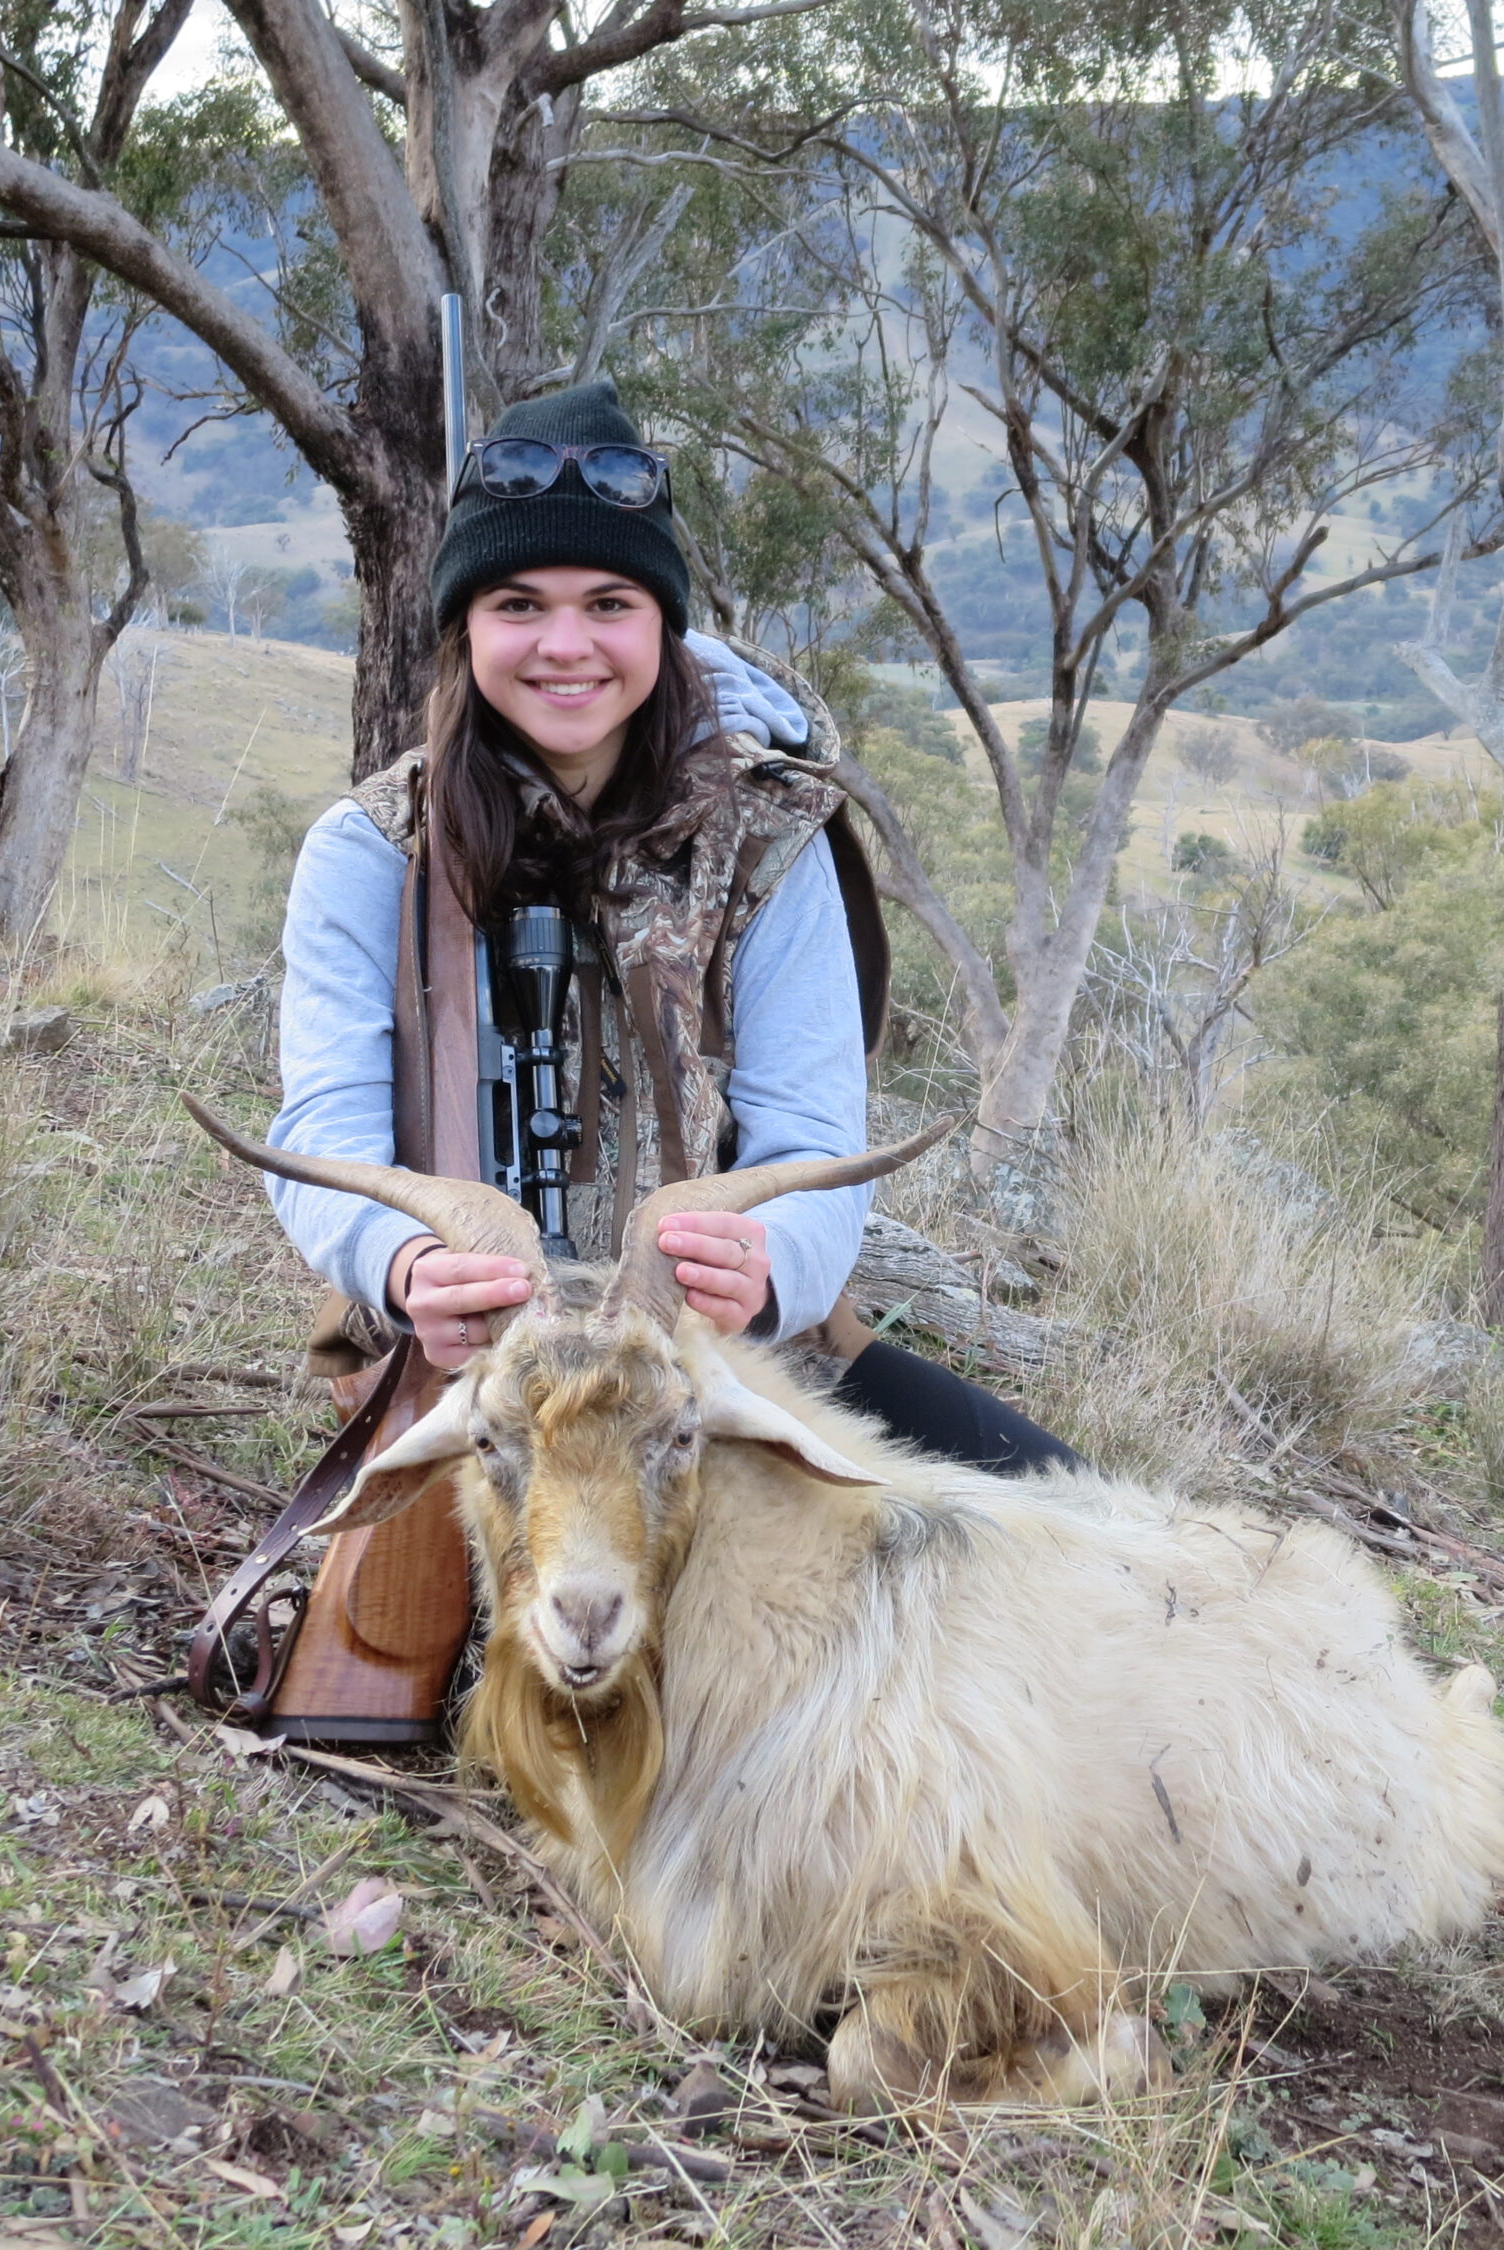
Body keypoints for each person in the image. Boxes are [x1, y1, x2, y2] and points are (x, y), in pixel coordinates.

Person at [259, 377, 1078, 1739]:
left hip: (720, 1366)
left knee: (1050, 1532)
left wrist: (773, 1268)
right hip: (478, 1371)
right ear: (465, 625)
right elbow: (325, 1135)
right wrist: (402, 1269)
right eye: (518, 604)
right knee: (400, 1707)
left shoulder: (778, 838)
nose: (564, 645)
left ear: (663, 624)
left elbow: (814, 1141)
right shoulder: (365, 854)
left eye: (608, 605)